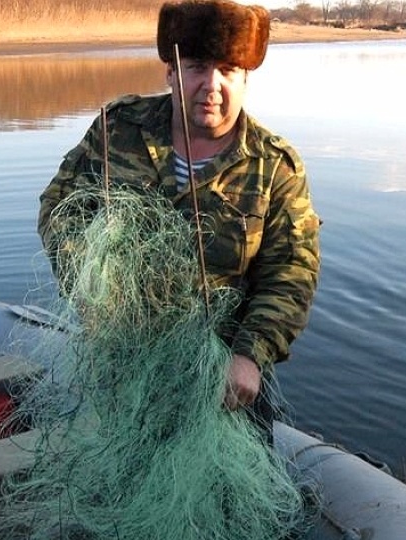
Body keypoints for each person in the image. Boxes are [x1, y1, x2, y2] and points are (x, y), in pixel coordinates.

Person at [37, 0, 320, 437]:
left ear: (246, 78)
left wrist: (248, 355)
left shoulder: (275, 166)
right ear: (171, 71)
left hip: (224, 377)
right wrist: (88, 286)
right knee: (120, 489)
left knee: (233, 499)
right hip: (124, 367)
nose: (211, 85)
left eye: (228, 70)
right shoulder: (117, 131)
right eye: (196, 67)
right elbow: (60, 210)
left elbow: (291, 274)